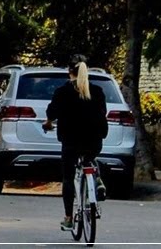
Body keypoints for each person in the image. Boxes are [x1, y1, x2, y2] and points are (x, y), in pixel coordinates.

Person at [42, 55, 109, 231]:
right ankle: (97, 178)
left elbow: (52, 112)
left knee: (68, 177)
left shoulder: (63, 92)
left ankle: (68, 218)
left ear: (69, 71)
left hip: (70, 141)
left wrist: (48, 123)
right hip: (94, 141)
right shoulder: (98, 91)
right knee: (90, 157)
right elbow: (103, 113)